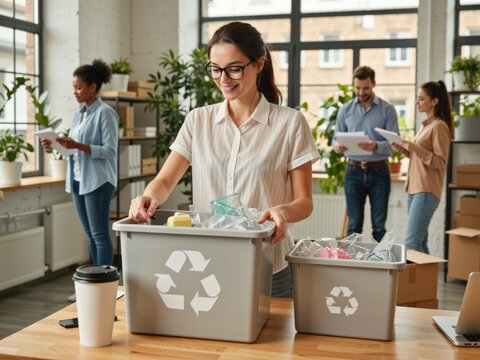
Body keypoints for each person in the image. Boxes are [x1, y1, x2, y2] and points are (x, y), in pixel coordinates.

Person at [128, 21, 319, 297]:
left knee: (270, 340)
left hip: (268, 263)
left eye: (234, 68)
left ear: (259, 64)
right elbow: (166, 179)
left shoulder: (290, 123)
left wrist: (283, 212)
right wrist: (147, 196)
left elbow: (305, 202)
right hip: (206, 263)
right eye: (215, 69)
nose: (224, 79)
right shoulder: (198, 120)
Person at [41, 59, 119, 268]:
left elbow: (110, 151)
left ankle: (104, 284)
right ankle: (93, 286)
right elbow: (73, 148)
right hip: (78, 179)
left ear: (92, 87)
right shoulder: (79, 114)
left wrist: (77, 144)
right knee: (90, 235)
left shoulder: (106, 113)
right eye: (73, 88)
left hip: (98, 182)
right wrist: (56, 144)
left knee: (100, 235)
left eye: (78, 87)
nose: (74, 92)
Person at [333, 66, 399, 242]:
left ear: (374, 84)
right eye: (357, 88)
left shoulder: (387, 110)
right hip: (353, 171)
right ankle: (354, 269)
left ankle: (380, 268)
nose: (361, 92)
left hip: (379, 173)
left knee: (379, 227)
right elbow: (334, 140)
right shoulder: (345, 110)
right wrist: (338, 147)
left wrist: (375, 145)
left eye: (366, 88)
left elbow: (394, 144)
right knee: (354, 226)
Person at [392, 81, 452, 254]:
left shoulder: (439, 127)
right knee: (420, 241)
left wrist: (413, 147)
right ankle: (425, 281)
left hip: (425, 191)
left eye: (421, 99)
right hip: (415, 190)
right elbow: (422, 158)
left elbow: (440, 162)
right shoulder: (426, 126)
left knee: (411, 242)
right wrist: (406, 150)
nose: (417, 102)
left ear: (434, 101)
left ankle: (414, 281)